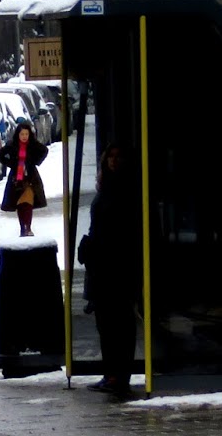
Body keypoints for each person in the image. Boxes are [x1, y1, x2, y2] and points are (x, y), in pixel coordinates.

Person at [79, 144, 140, 396]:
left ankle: (118, 375)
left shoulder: (126, 190)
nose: (114, 161)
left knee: (119, 321)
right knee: (105, 321)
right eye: (110, 157)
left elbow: (122, 230)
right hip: (100, 264)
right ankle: (111, 373)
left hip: (117, 265)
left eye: (119, 157)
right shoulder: (105, 187)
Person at [0, 117, 48, 236]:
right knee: (20, 203)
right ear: (18, 134)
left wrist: (35, 162)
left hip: (30, 178)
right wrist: (11, 164)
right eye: (22, 134)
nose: (24, 136)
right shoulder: (12, 145)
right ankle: (22, 228)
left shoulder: (33, 145)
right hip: (16, 179)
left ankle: (28, 227)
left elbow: (44, 150)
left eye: (26, 134)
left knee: (28, 201)